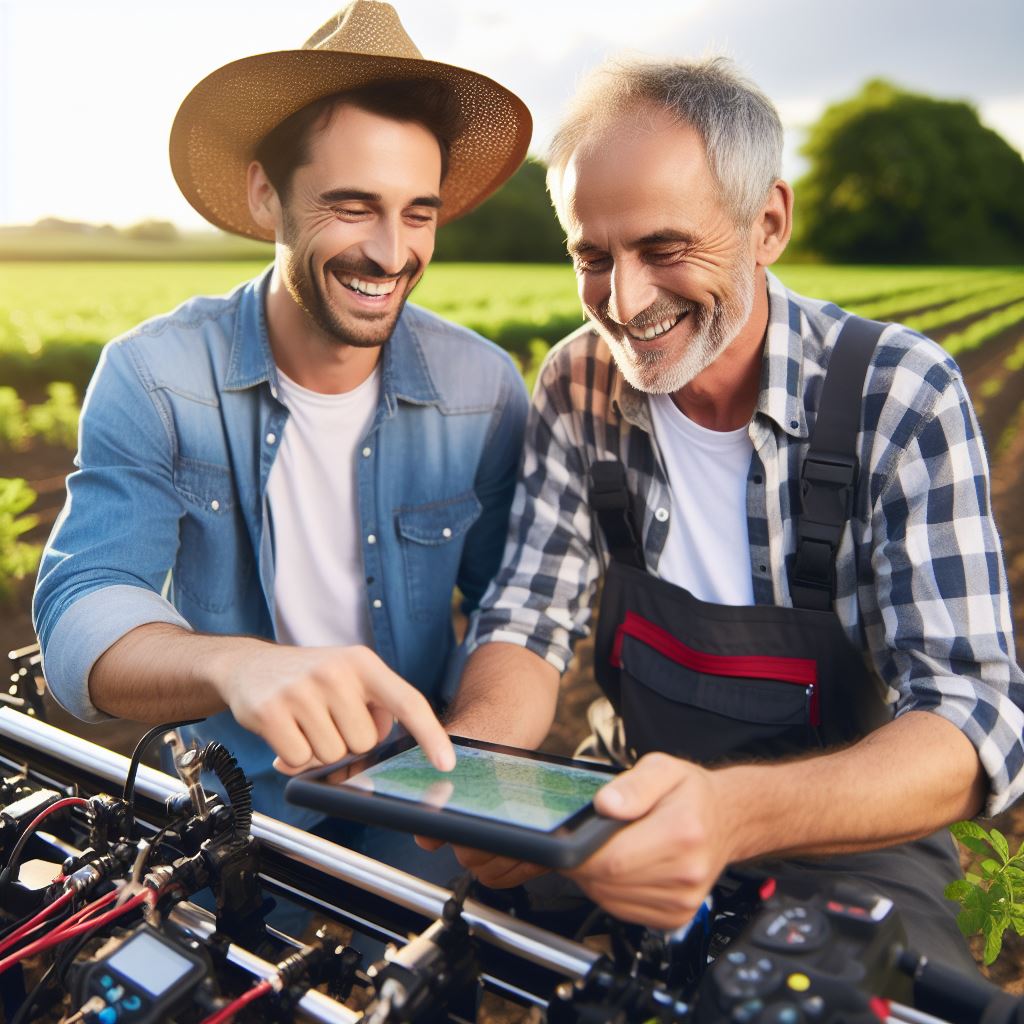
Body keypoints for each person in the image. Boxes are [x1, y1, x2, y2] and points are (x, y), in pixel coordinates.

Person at [442, 55, 1024, 969]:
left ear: (767, 225)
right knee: (458, 944)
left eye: (664, 249)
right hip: (633, 785)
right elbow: (527, 613)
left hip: (848, 830)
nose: (623, 305)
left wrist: (728, 814)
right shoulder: (578, 380)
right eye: (592, 257)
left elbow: (972, 715)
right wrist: (476, 775)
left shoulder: (899, 393)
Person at [32, 0, 531, 847]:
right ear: (268, 195)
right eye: (352, 204)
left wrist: (473, 764)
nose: (390, 251)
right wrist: (236, 665)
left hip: (420, 807)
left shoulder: (482, 387)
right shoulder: (155, 374)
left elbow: (512, 608)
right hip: (230, 811)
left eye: (419, 212)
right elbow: (82, 610)